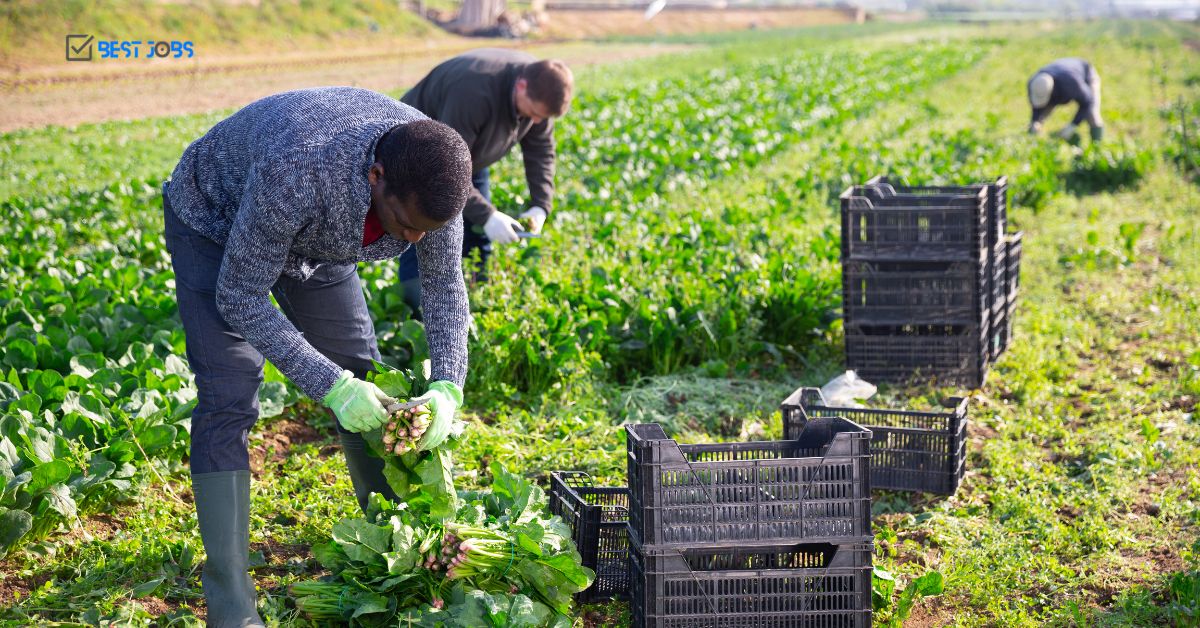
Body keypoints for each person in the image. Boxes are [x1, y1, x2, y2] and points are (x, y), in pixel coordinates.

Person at [162, 86, 472, 627]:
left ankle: (395, 551)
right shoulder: (298, 171)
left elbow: (444, 285)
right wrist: (331, 385)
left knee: (364, 373)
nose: (415, 238)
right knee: (229, 394)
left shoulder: (436, 178)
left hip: (319, 238)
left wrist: (448, 383)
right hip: (216, 223)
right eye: (407, 225)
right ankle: (230, 597)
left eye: (428, 230)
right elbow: (240, 296)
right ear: (376, 176)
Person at [397, 48, 574, 312]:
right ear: (521, 85)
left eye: (542, 118)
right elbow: (445, 169)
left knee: (477, 236)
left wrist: (541, 205)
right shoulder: (473, 92)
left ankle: (474, 298)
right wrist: (488, 215)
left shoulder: (540, 91)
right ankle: (415, 312)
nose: (536, 121)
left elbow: (541, 152)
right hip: (419, 154)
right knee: (424, 231)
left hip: (469, 153)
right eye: (534, 113)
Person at [1027, 57, 1104, 142]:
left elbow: (1087, 102)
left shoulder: (1070, 83)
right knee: (1038, 122)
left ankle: (1097, 145)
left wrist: (1072, 125)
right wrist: (1035, 120)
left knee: (1092, 114)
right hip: (1062, 77)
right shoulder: (1034, 83)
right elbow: (1037, 105)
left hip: (1086, 74)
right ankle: (1033, 140)